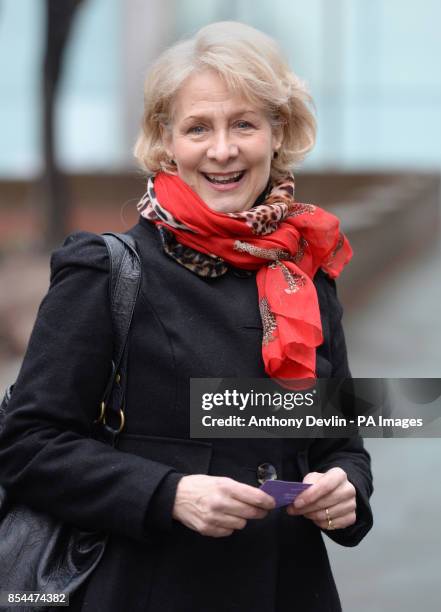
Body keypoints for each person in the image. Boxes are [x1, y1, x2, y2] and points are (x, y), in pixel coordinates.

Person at [0, 21, 373, 612]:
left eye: (244, 124)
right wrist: (168, 493)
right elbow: (25, 446)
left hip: (289, 590)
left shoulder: (306, 273)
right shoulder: (105, 271)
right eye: (198, 128)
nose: (222, 150)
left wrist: (346, 489)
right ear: (165, 141)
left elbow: (338, 443)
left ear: (278, 134)